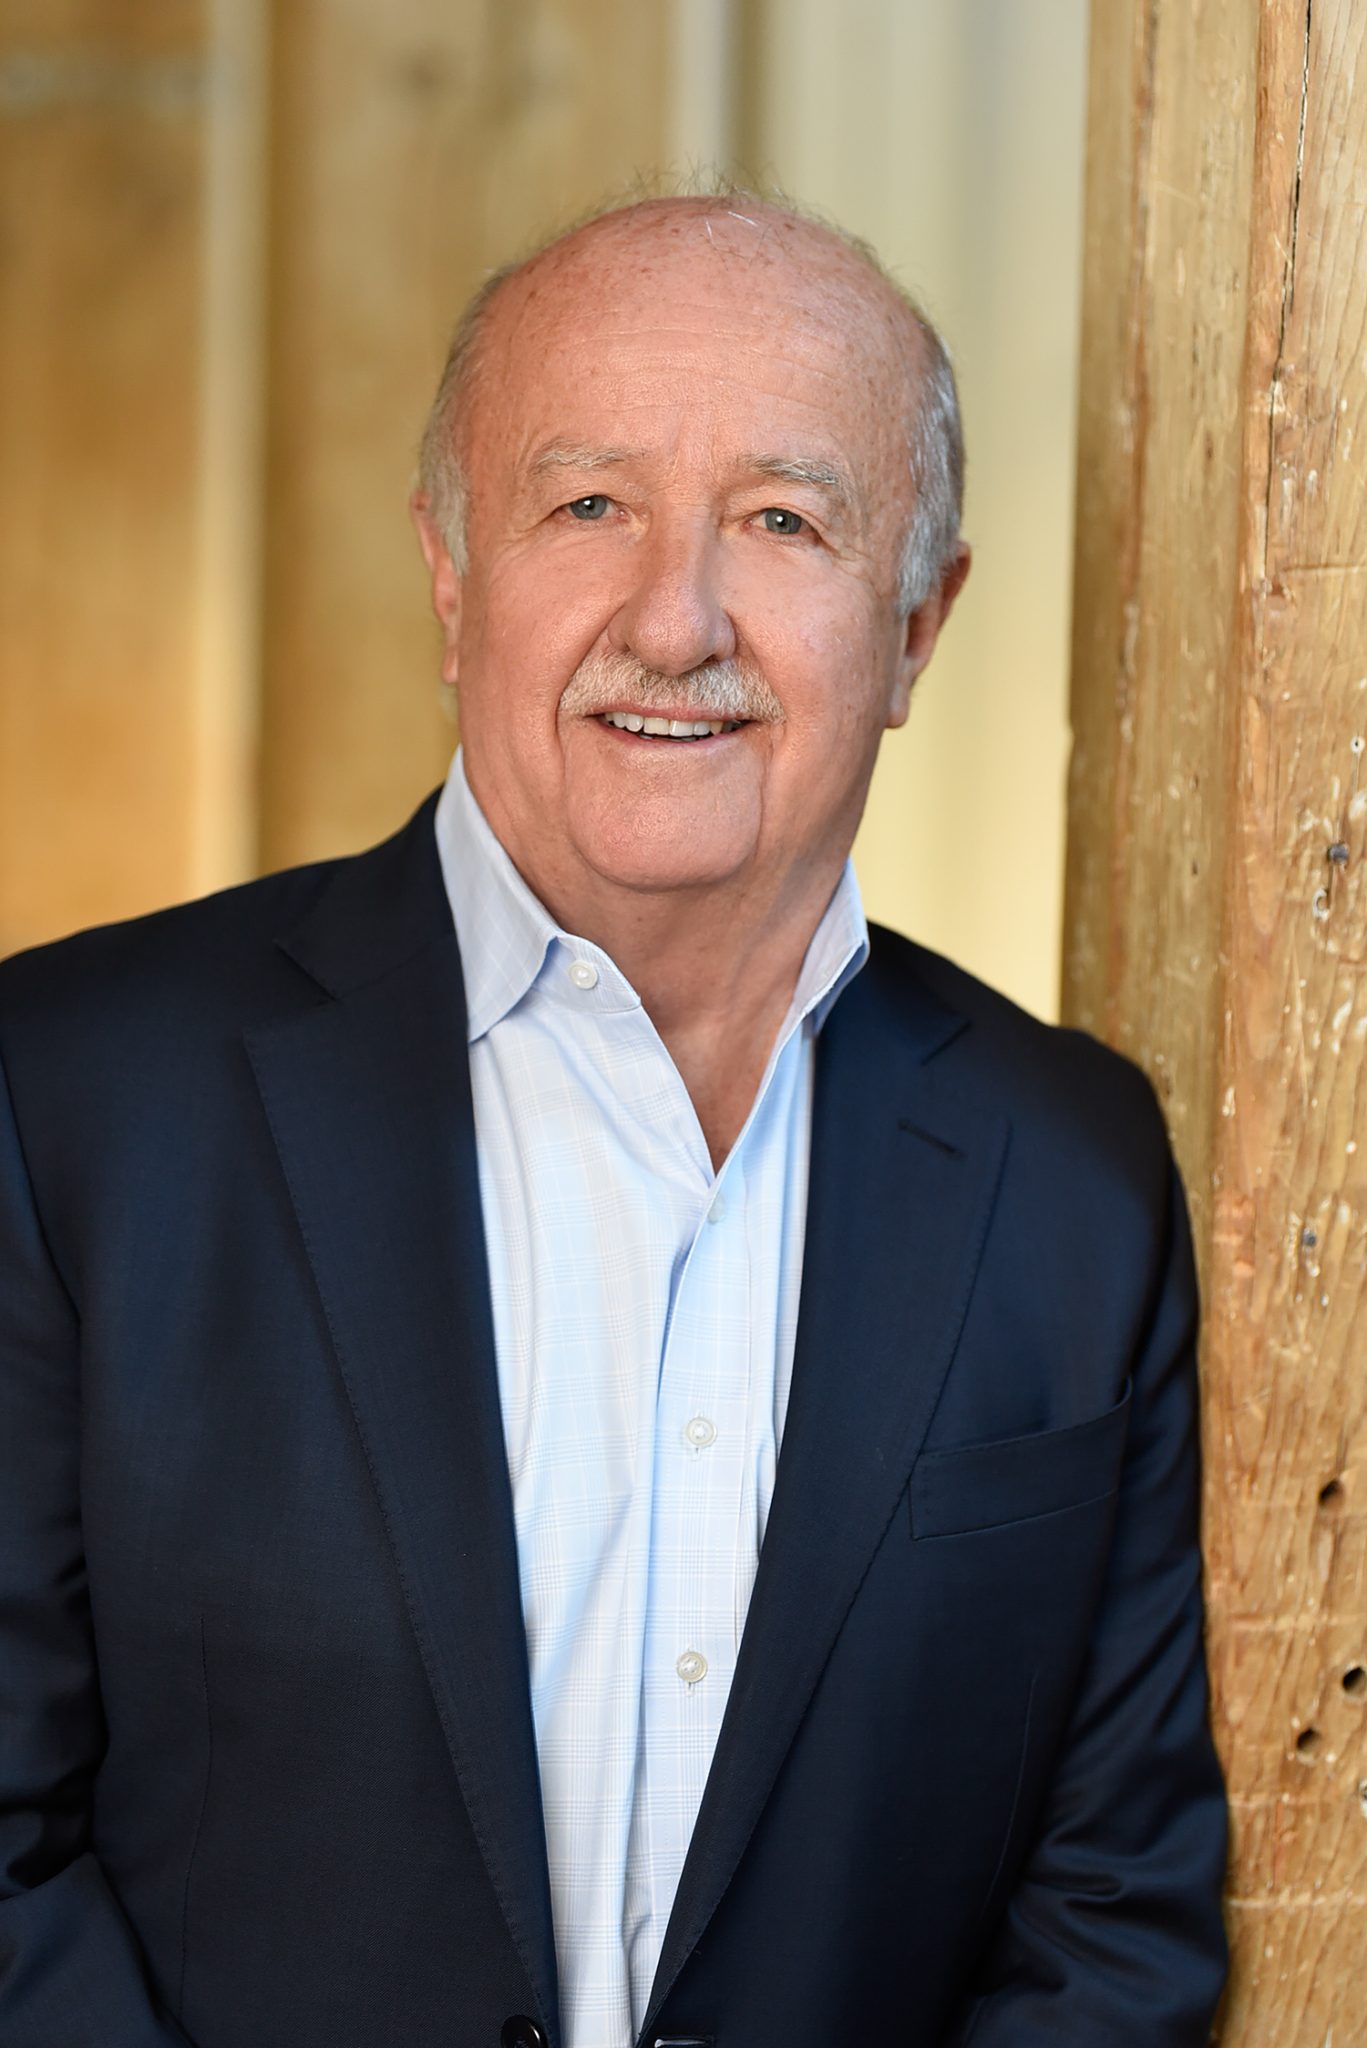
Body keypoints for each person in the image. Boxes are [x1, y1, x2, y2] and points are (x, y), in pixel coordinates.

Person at [0, 191, 1227, 2048]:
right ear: (451, 574)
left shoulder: (1074, 1178)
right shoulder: (69, 1100)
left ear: (918, 623)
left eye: (784, 521)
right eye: (588, 506)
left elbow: (1111, 1919)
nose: (675, 619)